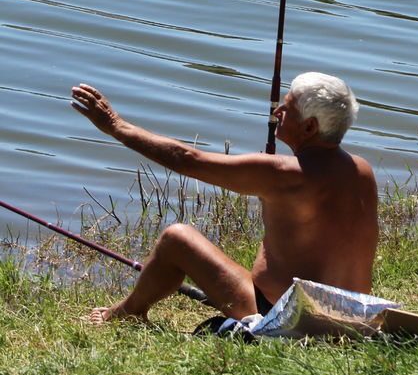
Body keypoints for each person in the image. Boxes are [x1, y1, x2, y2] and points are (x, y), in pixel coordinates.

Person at [70, 72, 378, 325]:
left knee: (177, 238)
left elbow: (187, 159)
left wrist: (116, 126)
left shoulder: (284, 173)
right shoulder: (362, 170)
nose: (277, 112)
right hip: (352, 318)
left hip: (288, 318)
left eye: (287, 108)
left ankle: (126, 314)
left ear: (310, 126)